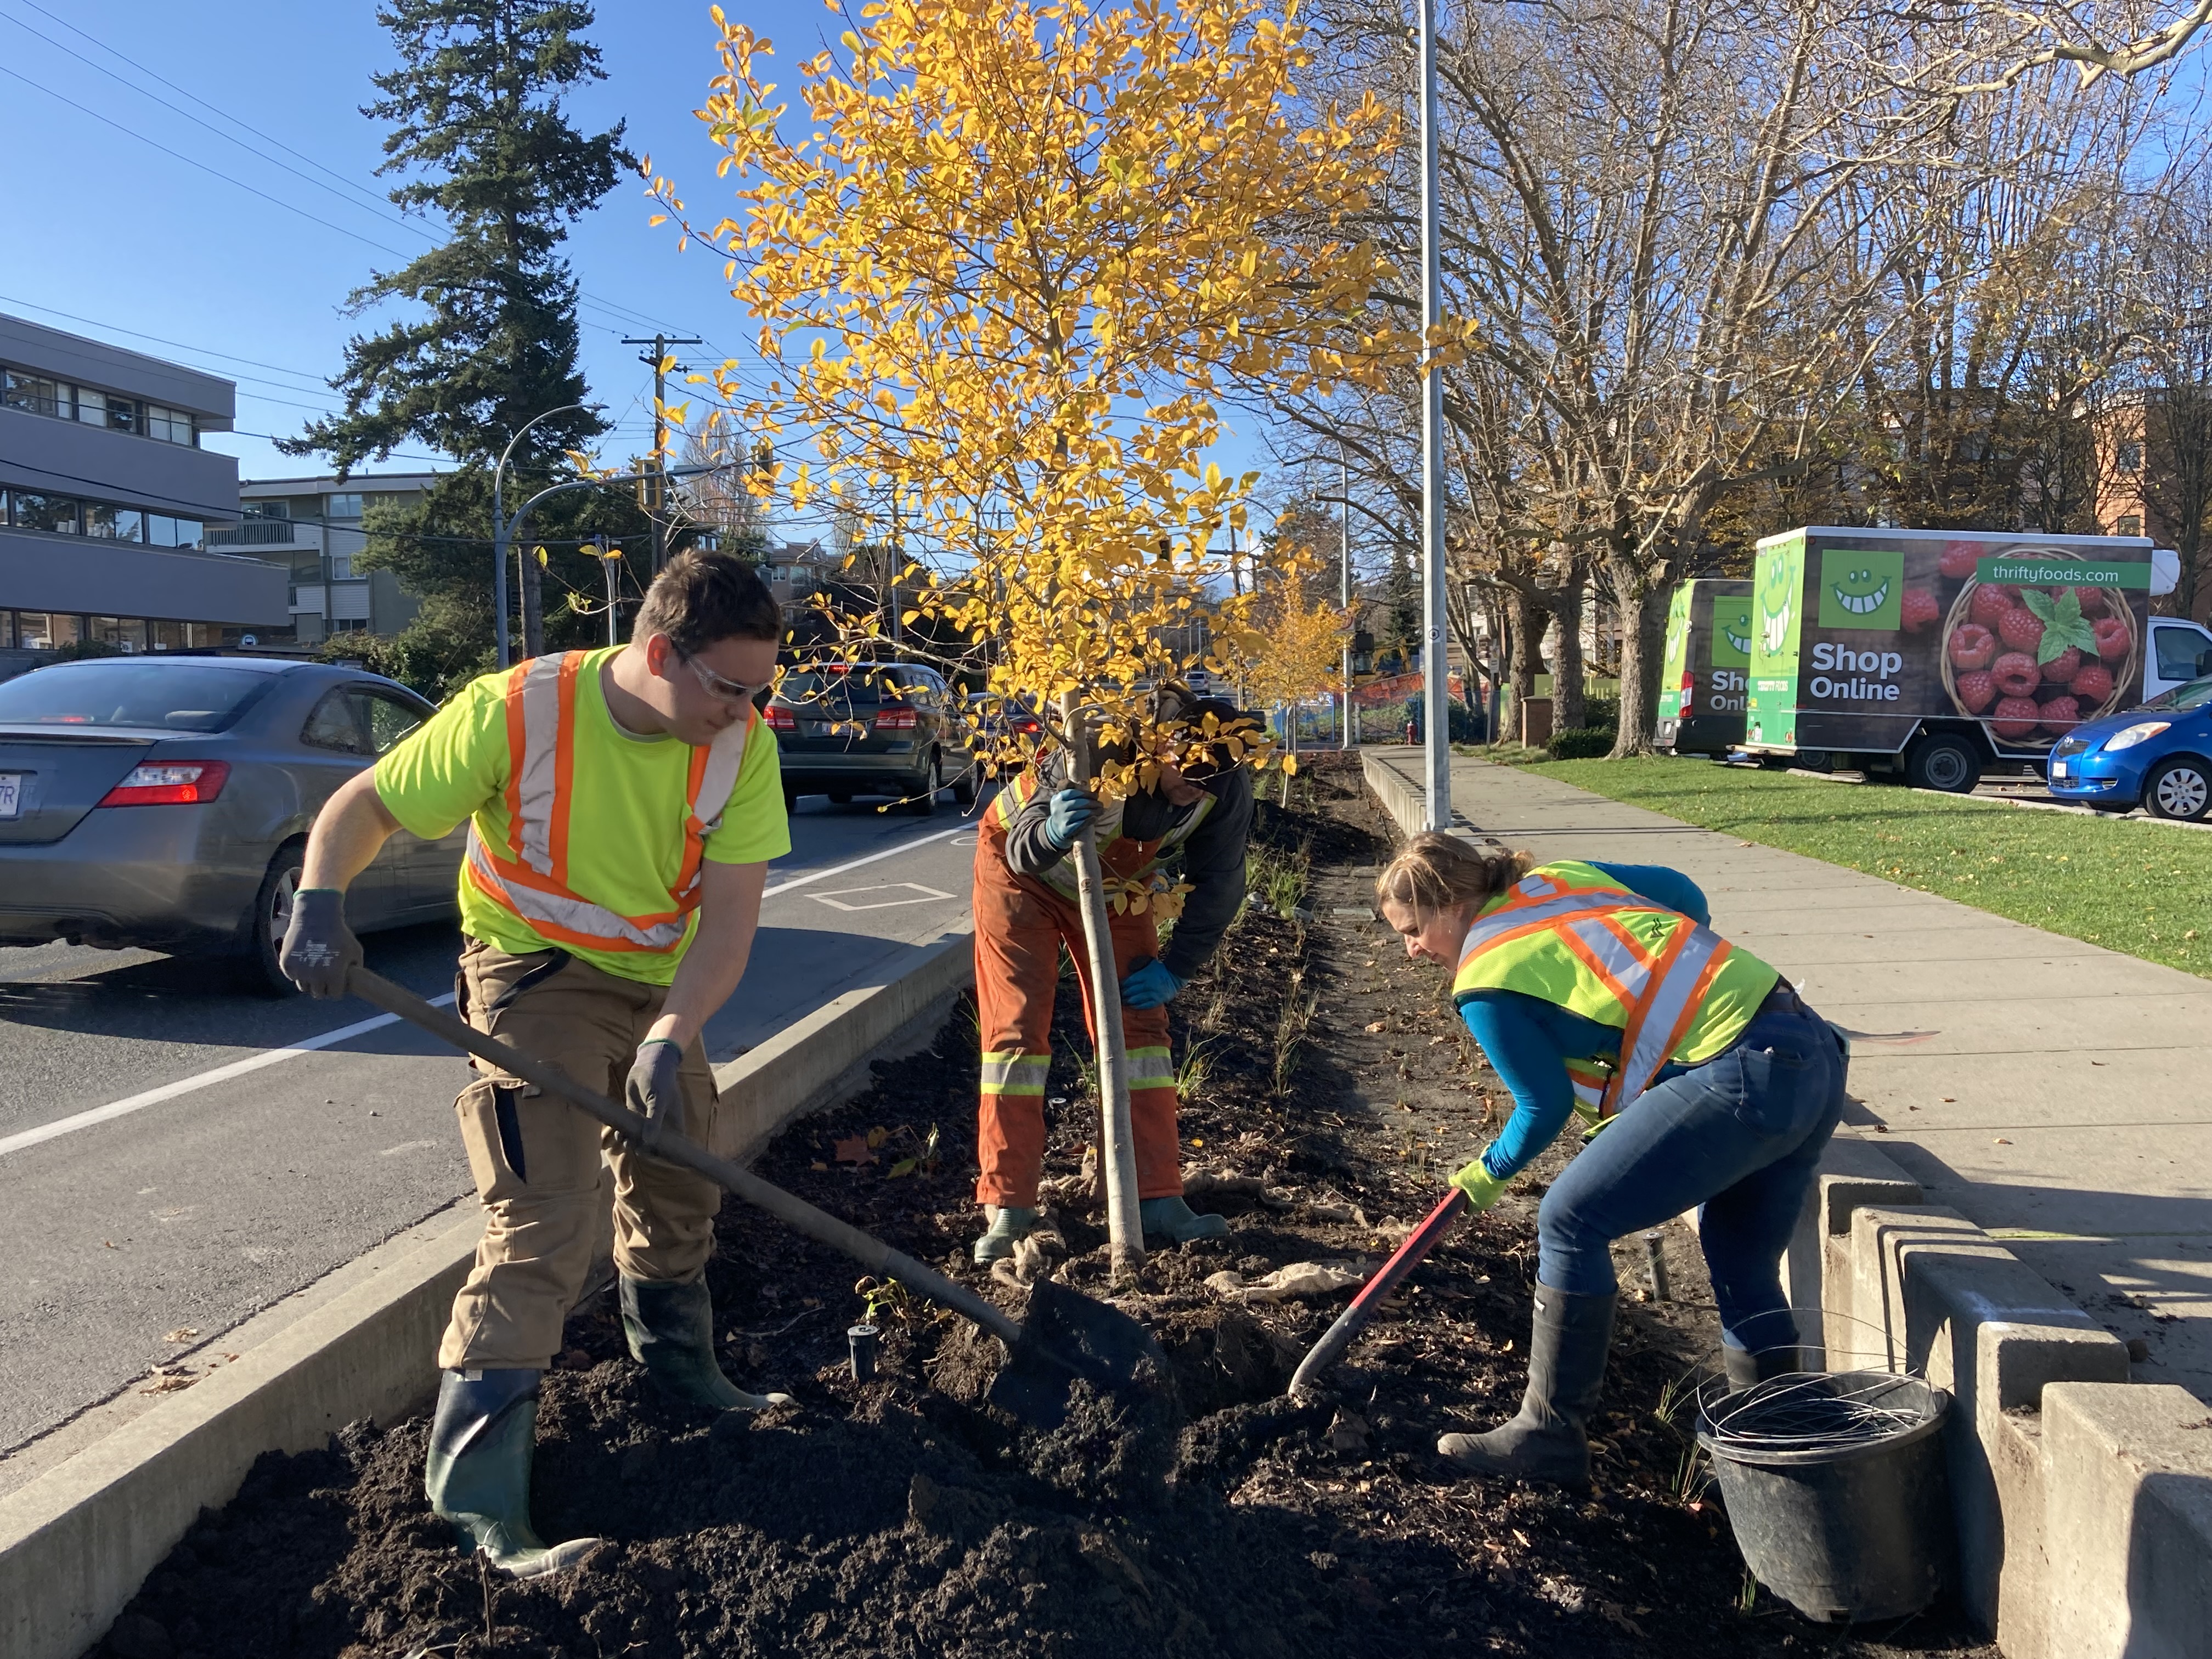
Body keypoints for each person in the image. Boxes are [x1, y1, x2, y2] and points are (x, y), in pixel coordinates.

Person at [278, 549, 793, 1576]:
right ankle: (478, 1498)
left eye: (760, 689)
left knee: (683, 1169)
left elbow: (729, 927)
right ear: (661, 654)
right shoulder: (517, 708)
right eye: (732, 687)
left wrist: (666, 1036)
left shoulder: (742, 745)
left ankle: (681, 1369)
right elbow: (363, 806)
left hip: (656, 980)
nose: (745, 710)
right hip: (534, 973)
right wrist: (320, 901)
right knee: (547, 1211)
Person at [1375, 833, 1845, 1485]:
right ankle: (1780, 1449)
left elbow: (1541, 1110)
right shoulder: (1559, 880)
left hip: (1742, 1075)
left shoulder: (1486, 976)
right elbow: (1686, 896)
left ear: (1451, 905)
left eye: (1414, 930)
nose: (1413, 949)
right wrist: (1661, 1013)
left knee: (1569, 1221)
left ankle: (1548, 1435)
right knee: (1740, 1257)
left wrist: (1483, 1177)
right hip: (1811, 1051)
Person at [970, 689, 1255, 1262]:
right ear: (1160, 744)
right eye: (1186, 773)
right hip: (1020, 872)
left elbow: (1222, 884)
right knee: (1017, 1037)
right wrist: (1050, 833)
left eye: (1208, 780)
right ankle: (1009, 1204)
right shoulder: (1101, 745)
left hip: (1116, 891)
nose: (1194, 788)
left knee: (1141, 1034)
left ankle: (1154, 1196)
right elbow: (1025, 846)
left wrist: (1175, 970)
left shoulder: (1225, 782)